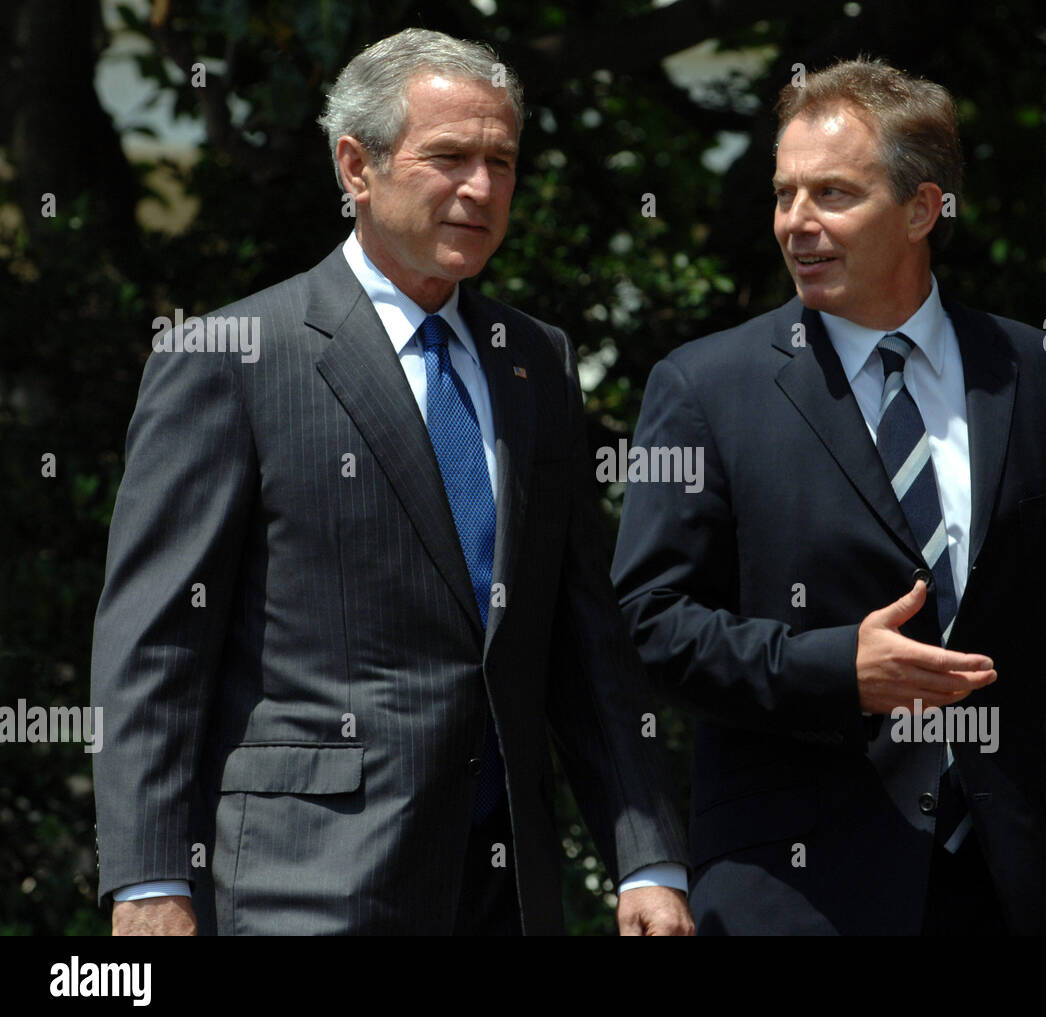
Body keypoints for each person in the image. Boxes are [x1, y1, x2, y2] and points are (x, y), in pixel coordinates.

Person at [91, 28, 691, 936]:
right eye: (448, 157)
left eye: (501, 161)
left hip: (503, 887)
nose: (481, 189)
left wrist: (645, 854)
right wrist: (147, 882)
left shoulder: (534, 361)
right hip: (304, 885)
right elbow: (155, 647)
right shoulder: (232, 357)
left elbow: (580, 632)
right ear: (356, 167)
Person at [610, 58, 1046, 935]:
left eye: (833, 194)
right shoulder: (705, 388)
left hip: (1001, 893)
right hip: (791, 901)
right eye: (784, 194)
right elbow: (652, 624)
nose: (797, 223)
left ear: (923, 210)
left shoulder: (1043, 378)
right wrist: (839, 672)